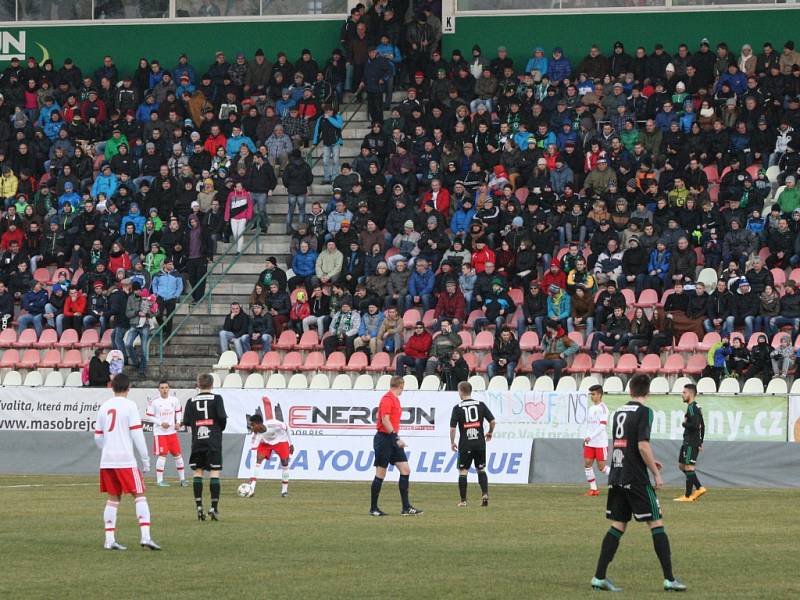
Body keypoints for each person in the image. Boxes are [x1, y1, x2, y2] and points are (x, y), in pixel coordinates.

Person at [591, 373, 686, 592]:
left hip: (617, 474)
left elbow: (626, 444)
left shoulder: (620, 411)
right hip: (635, 478)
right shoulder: (645, 412)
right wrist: (656, 473)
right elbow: (642, 445)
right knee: (656, 523)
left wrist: (650, 460)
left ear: (630, 390)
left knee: (618, 525)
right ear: (648, 391)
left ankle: (599, 577)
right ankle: (669, 579)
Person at [94, 374, 160, 551]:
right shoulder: (130, 406)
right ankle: (145, 536)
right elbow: (137, 434)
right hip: (125, 460)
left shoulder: (104, 406)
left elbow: (98, 437)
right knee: (139, 495)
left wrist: (107, 448)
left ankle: (109, 539)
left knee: (113, 498)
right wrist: (145, 459)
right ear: (129, 387)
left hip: (107, 460)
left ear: (112, 387)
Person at [370, 376, 422, 517]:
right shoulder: (387, 399)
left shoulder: (395, 399)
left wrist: (395, 437)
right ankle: (373, 508)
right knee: (380, 474)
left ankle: (406, 507)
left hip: (393, 439)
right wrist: (395, 437)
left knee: (405, 470)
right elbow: (384, 420)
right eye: (403, 387)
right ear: (400, 385)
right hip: (384, 439)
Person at [183, 373, 227, 521]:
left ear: (198, 384)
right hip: (213, 441)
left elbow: (187, 422)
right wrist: (216, 429)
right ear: (212, 384)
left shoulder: (191, 401)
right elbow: (222, 419)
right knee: (214, 472)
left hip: (197, 442)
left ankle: (199, 507)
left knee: (198, 472)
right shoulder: (217, 399)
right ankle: (214, 508)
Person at [449, 381, 496, 507]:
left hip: (466, 444)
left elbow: (453, 428)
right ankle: (485, 494)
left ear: (460, 391)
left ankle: (463, 501)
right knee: (481, 469)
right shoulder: (480, 405)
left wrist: (452, 442)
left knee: (463, 471)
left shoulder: (457, 408)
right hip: (480, 443)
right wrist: (490, 432)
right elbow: (492, 421)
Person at [145, 380, 187, 488]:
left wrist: (178, 422)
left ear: (169, 389)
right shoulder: (155, 402)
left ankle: (182, 480)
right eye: (162, 388)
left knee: (178, 455)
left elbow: (178, 411)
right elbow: (149, 416)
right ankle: (160, 480)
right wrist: (160, 423)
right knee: (162, 455)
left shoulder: (174, 400)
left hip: (172, 432)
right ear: (158, 389)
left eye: (166, 387)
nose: (164, 390)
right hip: (160, 433)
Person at [246, 412, 294, 497]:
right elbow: (254, 452)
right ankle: (252, 488)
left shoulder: (273, 423)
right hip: (265, 444)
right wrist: (252, 476)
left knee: (285, 463)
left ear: (259, 424)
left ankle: (284, 491)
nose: (251, 428)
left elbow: (286, 428)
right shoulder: (256, 435)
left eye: (253, 425)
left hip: (280, 440)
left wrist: (291, 444)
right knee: (258, 460)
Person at [674, 383, 707, 503]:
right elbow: (702, 425)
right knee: (682, 466)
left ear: (691, 394)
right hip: (691, 441)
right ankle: (694, 491)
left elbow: (695, 425)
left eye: (684, 392)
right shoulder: (695, 407)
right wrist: (701, 441)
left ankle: (692, 492)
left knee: (688, 467)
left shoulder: (692, 407)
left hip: (691, 441)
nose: (682, 395)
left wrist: (684, 424)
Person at [583, 385, 610, 497]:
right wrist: (586, 437)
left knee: (602, 467)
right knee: (587, 464)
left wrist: (591, 436)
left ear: (599, 394)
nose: (592, 396)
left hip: (600, 443)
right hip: (590, 443)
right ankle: (593, 489)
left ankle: (621, 479)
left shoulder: (603, 408)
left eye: (593, 394)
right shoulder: (591, 408)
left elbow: (602, 426)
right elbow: (589, 426)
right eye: (591, 394)